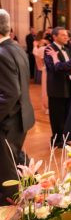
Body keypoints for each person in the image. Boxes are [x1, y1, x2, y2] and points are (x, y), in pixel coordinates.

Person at [0, 10, 35, 205]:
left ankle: (10, 203)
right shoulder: (17, 47)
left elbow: (10, 93)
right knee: (16, 157)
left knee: (6, 168)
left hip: (9, 119)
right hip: (22, 116)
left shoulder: (2, 53)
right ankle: (31, 187)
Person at [44, 27, 71, 147]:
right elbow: (54, 68)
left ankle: (66, 138)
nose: (66, 37)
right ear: (54, 37)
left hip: (69, 85)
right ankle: (57, 140)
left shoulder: (69, 48)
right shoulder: (49, 49)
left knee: (67, 113)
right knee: (57, 115)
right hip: (57, 87)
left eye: (66, 35)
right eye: (63, 35)